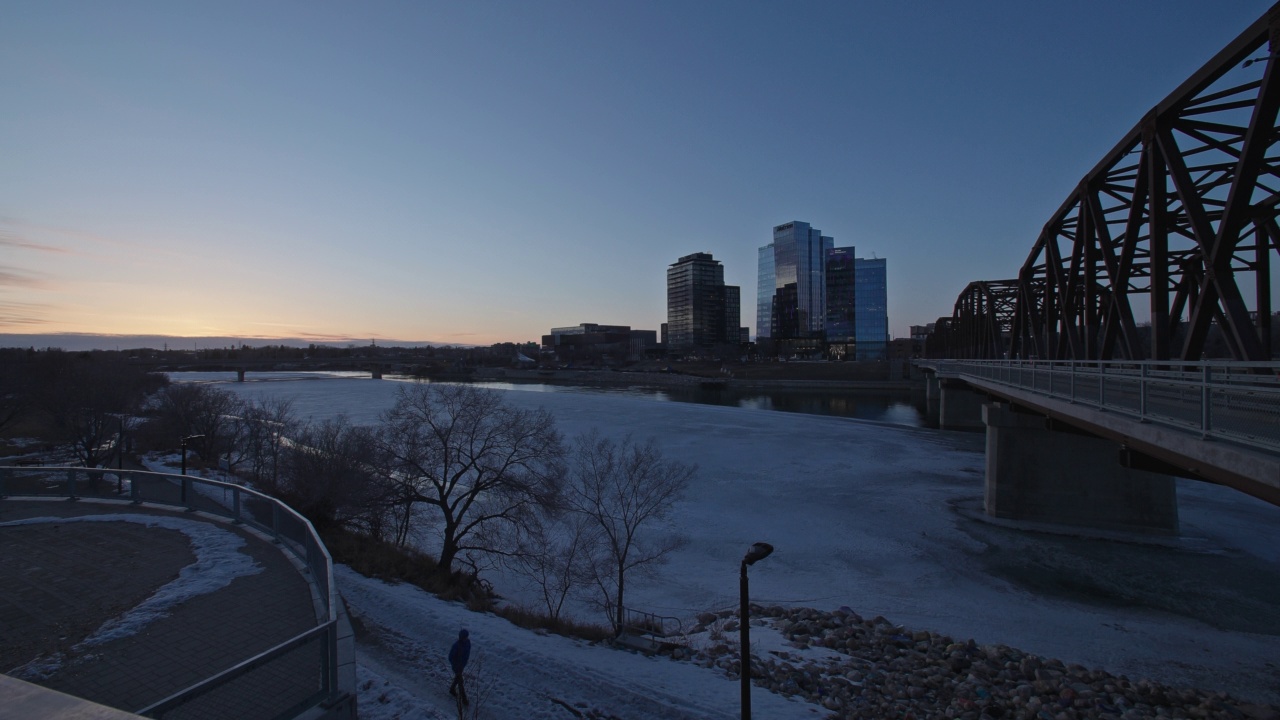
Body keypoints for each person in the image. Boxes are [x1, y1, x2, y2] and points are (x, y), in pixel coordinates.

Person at [448, 628, 470, 705]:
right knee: (461, 681)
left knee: (457, 679)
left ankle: (452, 689)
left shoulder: (468, 643)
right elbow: (450, 657)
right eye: (464, 637)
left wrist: (464, 662)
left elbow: (467, 653)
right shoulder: (456, 646)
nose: (466, 638)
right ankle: (464, 700)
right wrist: (455, 665)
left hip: (462, 665)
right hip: (457, 666)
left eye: (466, 637)